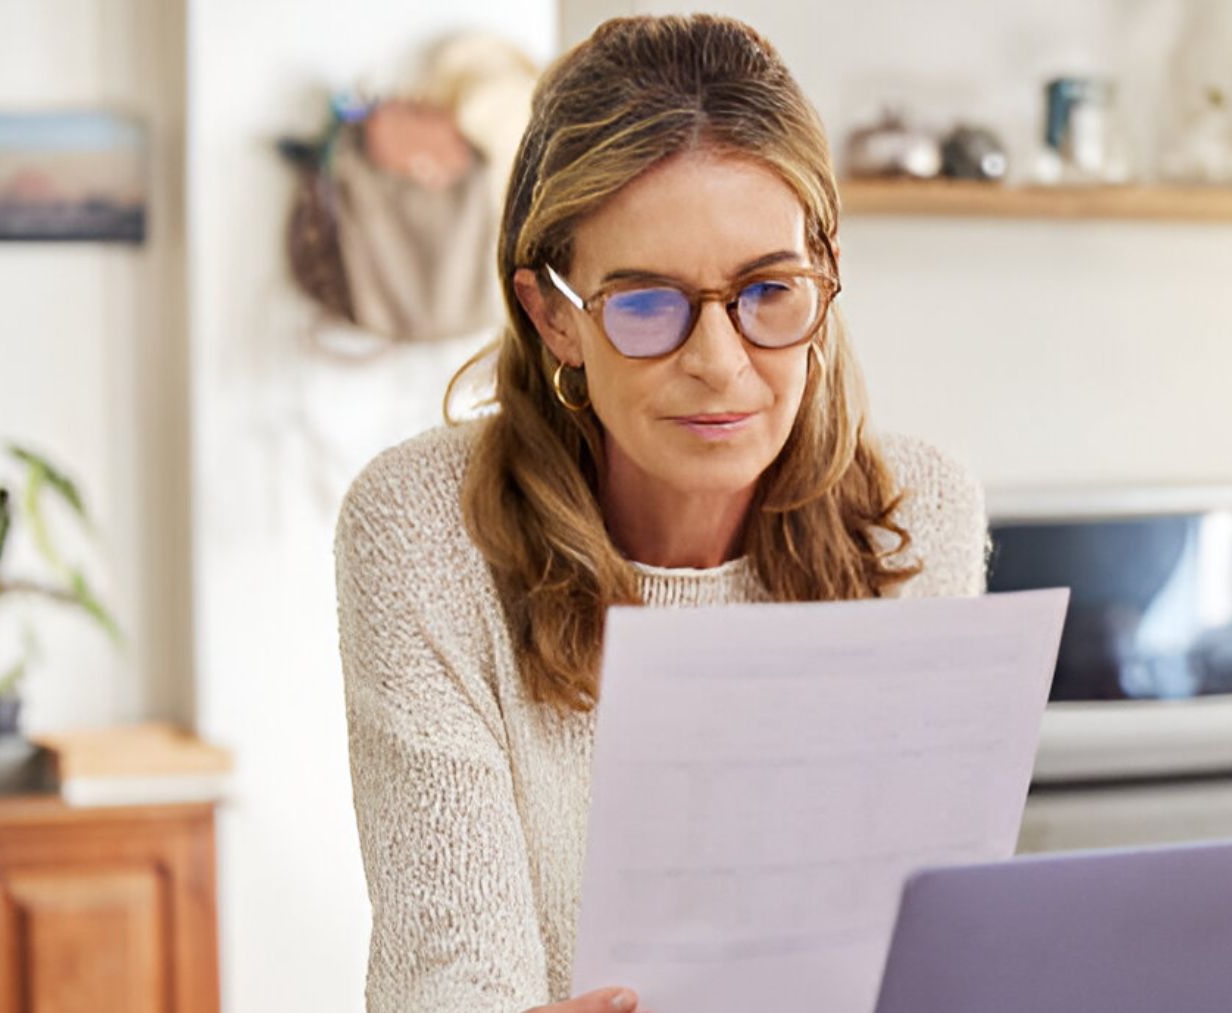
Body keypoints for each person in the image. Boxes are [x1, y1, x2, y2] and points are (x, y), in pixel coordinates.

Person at [334, 13, 988, 1012]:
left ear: (825, 272)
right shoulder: (425, 530)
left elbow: (923, 948)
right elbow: (453, 977)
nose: (719, 364)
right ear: (555, 314)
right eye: (647, 306)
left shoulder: (914, 514)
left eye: (770, 290)